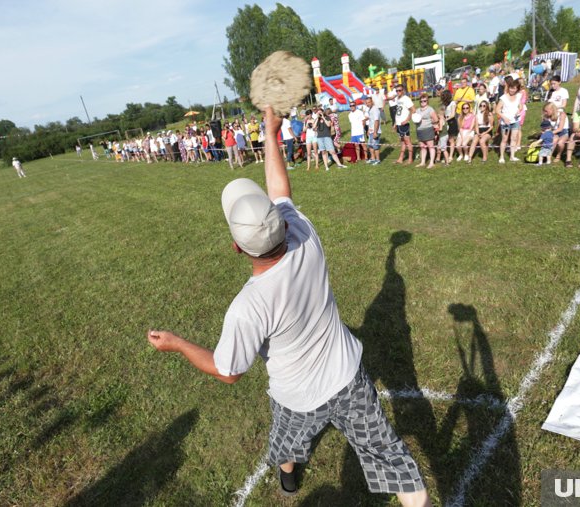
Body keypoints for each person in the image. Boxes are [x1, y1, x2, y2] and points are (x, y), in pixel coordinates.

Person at [146, 106, 430, 506]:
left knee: (286, 446)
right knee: (392, 459)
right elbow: (281, 191)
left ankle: (288, 479)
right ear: (280, 225)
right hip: (348, 377)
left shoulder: (248, 306)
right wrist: (271, 132)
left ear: (236, 247)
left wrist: (176, 343)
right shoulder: (303, 234)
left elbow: (228, 372)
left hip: (296, 395)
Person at [495, 81, 524, 163]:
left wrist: (519, 110)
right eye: (511, 88)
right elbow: (497, 110)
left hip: (515, 120)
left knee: (514, 138)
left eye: (514, 88)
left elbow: (520, 106)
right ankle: (501, 157)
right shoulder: (503, 98)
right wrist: (504, 118)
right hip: (505, 122)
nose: (512, 90)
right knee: (504, 139)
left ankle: (512, 156)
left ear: (517, 89)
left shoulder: (518, 96)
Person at [392, 84, 415, 164]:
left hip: (404, 124)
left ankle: (410, 159)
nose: (398, 92)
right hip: (398, 124)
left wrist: (407, 120)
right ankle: (401, 158)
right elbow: (398, 112)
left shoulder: (406, 99)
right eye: (397, 90)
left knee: (407, 141)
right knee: (402, 141)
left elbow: (413, 110)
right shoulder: (398, 99)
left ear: (403, 90)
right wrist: (395, 123)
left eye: (399, 90)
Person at [413, 94, 438, 168]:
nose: (423, 102)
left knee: (431, 146)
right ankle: (423, 162)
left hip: (428, 130)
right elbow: (415, 120)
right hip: (419, 130)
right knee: (422, 147)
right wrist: (416, 121)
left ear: (427, 101)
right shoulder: (417, 110)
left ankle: (431, 163)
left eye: (425, 101)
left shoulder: (430, 109)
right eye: (421, 101)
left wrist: (430, 123)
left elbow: (436, 119)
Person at [365, 95, 382, 165]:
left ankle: (378, 160)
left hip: (376, 131)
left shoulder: (375, 109)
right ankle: (373, 158)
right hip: (371, 131)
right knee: (370, 146)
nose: (367, 104)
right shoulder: (370, 109)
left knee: (375, 146)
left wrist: (375, 132)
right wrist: (369, 130)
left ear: (372, 102)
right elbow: (371, 121)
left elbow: (376, 121)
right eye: (366, 103)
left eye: (369, 102)